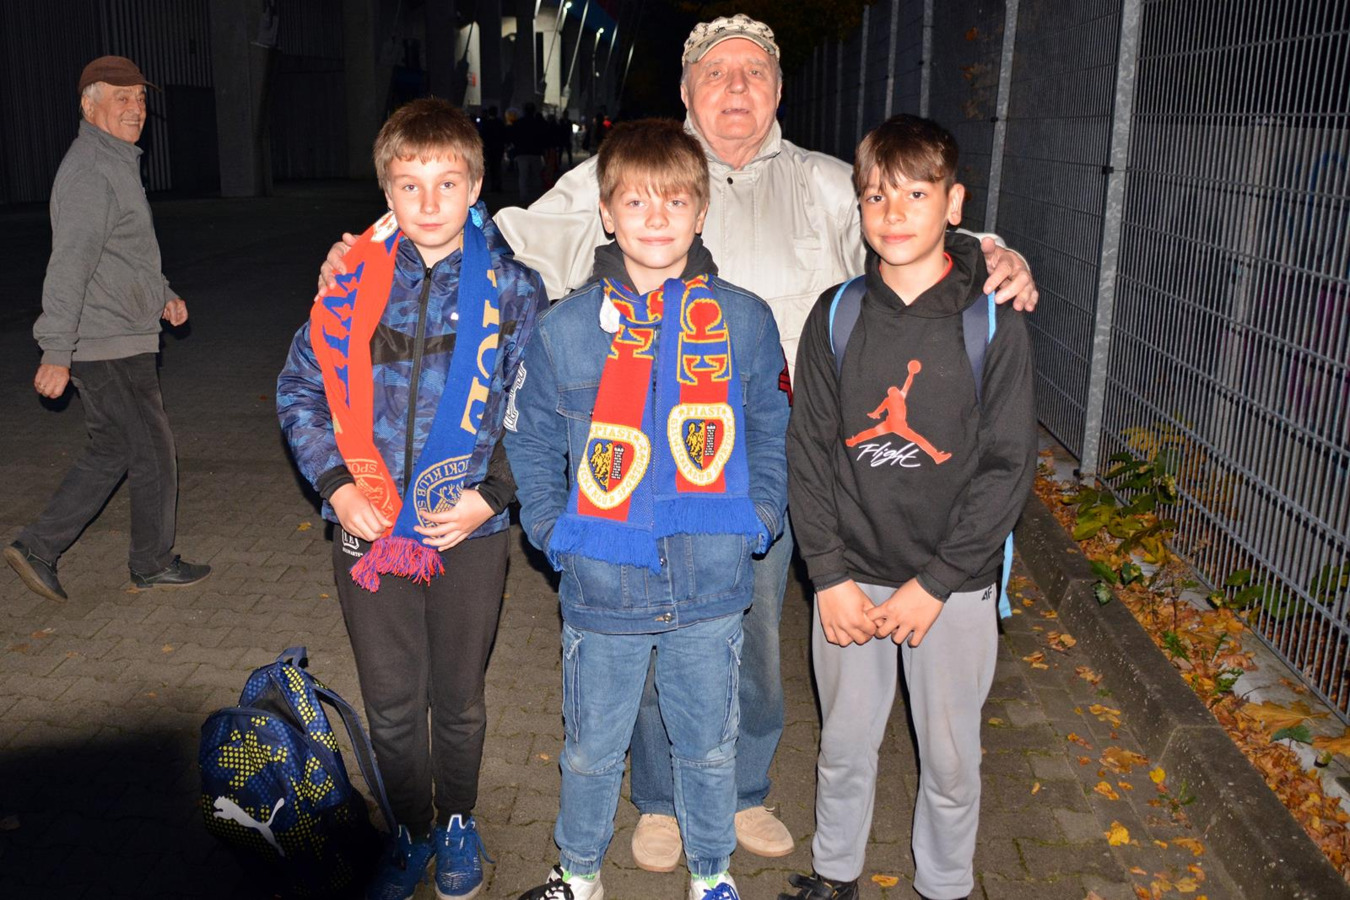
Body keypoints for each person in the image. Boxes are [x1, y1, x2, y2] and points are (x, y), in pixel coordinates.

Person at [318, 13, 1040, 870]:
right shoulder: (625, 169)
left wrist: (993, 253)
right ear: (688, 90)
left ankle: (742, 789)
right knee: (648, 654)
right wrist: (370, 251)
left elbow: (910, 226)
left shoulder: (825, 182)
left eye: (754, 73)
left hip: (762, 468)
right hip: (632, 469)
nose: (736, 88)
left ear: (778, 90)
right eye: (716, 73)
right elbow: (490, 230)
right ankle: (659, 802)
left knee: (749, 648)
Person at [504, 119, 789, 900]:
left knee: (709, 747)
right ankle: (579, 872)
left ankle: (711, 873)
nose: (655, 218)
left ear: (701, 212)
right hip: (605, 585)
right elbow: (531, 439)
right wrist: (552, 532)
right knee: (591, 749)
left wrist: (761, 515)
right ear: (606, 213)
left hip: (710, 585)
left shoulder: (743, 321)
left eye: (674, 201)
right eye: (635, 201)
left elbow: (772, 425)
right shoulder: (565, 330)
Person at [277, 97, 548, 900]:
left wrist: (491, 496)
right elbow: (299, 390)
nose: (428, 202)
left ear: (476, 186)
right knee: (392, 704)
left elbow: (538, 411)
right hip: (367, 526)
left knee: (457, 701)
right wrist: (336, 487)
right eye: (409, 185)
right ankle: (410, 827)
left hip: (469, 530)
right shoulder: (350, 282)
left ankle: (457, 819)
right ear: (386, 191)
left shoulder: (515, 289)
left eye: (446, 183)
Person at [781, 114, 1037, 900]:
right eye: (875, 197)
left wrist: (938, 583)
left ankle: (945, 885)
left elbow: (1007, 467)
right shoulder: (836, 313)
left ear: (954, 204)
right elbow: (809, 453)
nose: (893, 213)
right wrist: (828, 576)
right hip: (852, 579)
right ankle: (835, 874)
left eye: (915, 195)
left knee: (952, 760)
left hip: (951, 586)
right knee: (844, 744)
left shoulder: (991, 320)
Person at [4, 55, 210, 602]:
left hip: (121, 332)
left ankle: (38, 547)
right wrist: (56, 350)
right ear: (89, 105)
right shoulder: (91, 171)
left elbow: (124, 253)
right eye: (121, 98)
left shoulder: (116, 162)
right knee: (153, 452)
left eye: (140, 98)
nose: (136, 108)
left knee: (114, 448)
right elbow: (69, 264)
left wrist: (162, 294)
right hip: (105, 341)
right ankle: (151, 562)